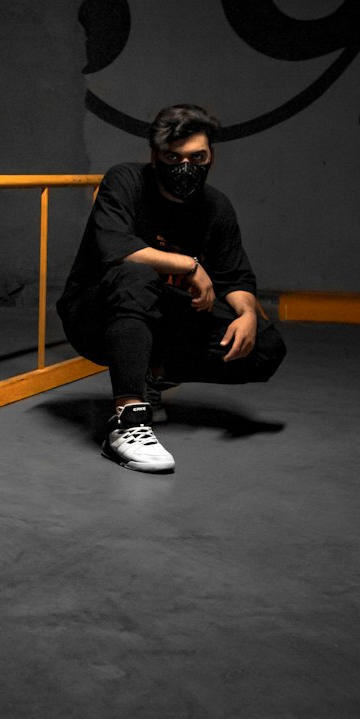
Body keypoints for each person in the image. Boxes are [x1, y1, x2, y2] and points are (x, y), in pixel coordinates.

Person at [57, 103, 286, 473]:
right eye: (173, 157)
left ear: (212, 156)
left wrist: (245, 314)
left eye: (198, 157)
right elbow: (116, 250)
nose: (185, 167)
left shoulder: (216, 207)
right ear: (154, 156)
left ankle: (152, 375)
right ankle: (127, 422)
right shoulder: (126, 181)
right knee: (136, 273)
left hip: (160, 317)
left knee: (265, 346)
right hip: (94, 313)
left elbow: (235, 278)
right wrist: (188, 265)